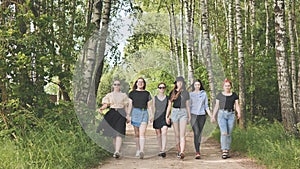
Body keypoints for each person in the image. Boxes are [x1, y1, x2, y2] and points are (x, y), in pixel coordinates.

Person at [97, 80, 130, 159]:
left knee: (119, 132)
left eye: (118, 84)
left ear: (120, 86)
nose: (116, 86)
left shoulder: (124, 95)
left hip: (121, 113)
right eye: (115, 84)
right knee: (114, 134)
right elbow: (106, 104)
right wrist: (101, 109)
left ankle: (117, 151)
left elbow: (125, 106)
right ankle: (116, 150)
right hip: (112, 113)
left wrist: (128, 116)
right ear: (113, 85)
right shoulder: (109, 95)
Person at [211, 78, 241, 159]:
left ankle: (227, 149)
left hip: (231, 114)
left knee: (229, 133)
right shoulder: (219, 95)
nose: (227, 87)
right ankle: (224, 150)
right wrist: (213, 116)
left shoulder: (234, 95)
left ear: (230, 86)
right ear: (223, 87)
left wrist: (239, 112)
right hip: (222, 115)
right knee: (224, 132)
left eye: (228, 86)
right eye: (226, 86)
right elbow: (216, 106)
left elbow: (237, 105)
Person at [165, 76, 191, 159]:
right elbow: (169, 105)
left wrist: (189, 116)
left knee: (182, 134)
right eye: (178, 82)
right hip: (175, 112)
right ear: (175, 83)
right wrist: (167, 116)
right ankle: (179, 150)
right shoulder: (172, 93)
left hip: (183, 112)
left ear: (183, 83)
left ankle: (182, 151)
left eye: (181, 82)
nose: (179, 83)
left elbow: (187, 105)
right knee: (177, 134)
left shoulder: (186, 93)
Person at [128, 77, 152, 159]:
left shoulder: (147, 93)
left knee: (142, 133)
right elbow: (130, 105)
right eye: (139, 82)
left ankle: (142, 150)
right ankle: (138, 149)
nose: (140, 83)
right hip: (135, 112)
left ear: (144, 84)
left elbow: (149, 106)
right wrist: (128, 115)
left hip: (144, 113)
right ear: (136, 83)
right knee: (137, 134)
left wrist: (151, 115)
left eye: (142, 82)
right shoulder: (132, 93)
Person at [189, 79, 213, 159]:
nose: (197, 86)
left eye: (198, 85)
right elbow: (188, 106)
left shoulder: (204, 94)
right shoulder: (190, 94)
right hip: (193, 115)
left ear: (200, 85)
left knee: (199, 134)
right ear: (194, 86)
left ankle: (198, 150)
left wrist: (211, 115)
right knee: (196, 132)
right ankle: (197, 151)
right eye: (196, 85)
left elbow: (206, 106)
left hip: (202, 115)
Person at [151, 82, 171, 158]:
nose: (161, 89)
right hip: (157, 116)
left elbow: (169, 107)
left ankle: (163, 150)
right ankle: (160, 149)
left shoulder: (168, 98)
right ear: (158, 89)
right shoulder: (154, 98)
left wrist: (167, 116)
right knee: (158, 134)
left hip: (164, 116)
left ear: (165, 88)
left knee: (164, 131)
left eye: (163, 87)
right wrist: (152, 116)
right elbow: (152, 108)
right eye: (160, 87)